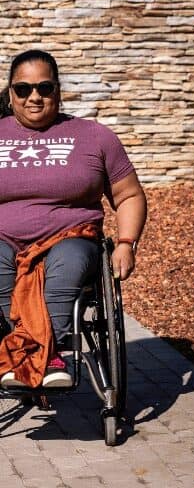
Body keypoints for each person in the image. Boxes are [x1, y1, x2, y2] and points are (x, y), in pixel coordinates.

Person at [0, 50, 146, 389]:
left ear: (58, 90)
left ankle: (43, 354)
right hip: (4, 240)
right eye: (23, 89)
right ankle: (30, 354)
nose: (34, 96)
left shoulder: (94, 136)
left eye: (44, 87)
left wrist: (126, 244)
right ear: (10, 94)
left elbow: (128, 196)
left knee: (69, 260)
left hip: (70, 237)